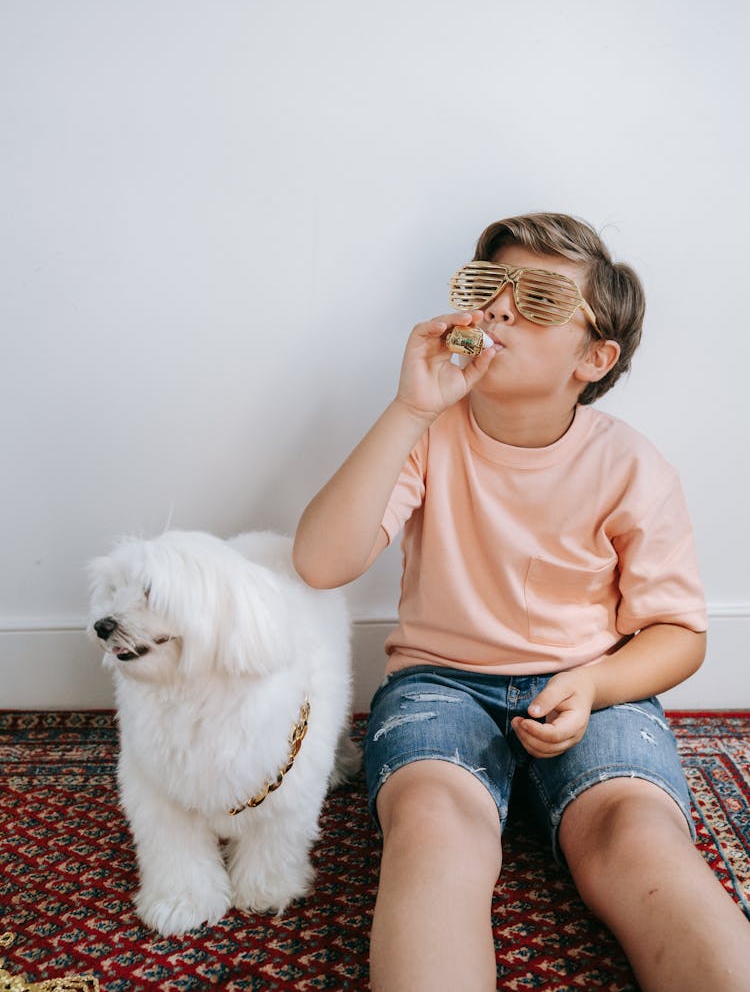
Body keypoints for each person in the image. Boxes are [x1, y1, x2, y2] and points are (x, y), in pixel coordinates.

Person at [293, 213, 750, 992]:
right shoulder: (428, 434)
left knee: (638, 836)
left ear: (594, 357)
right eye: (486, 288)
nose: (500, 309)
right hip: (440, 684)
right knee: (432, 830)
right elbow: (319, 560)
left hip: (591, 686)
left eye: (538, 299)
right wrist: (409, 407)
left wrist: (596, 684)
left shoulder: (633, 465)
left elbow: (678, 631)